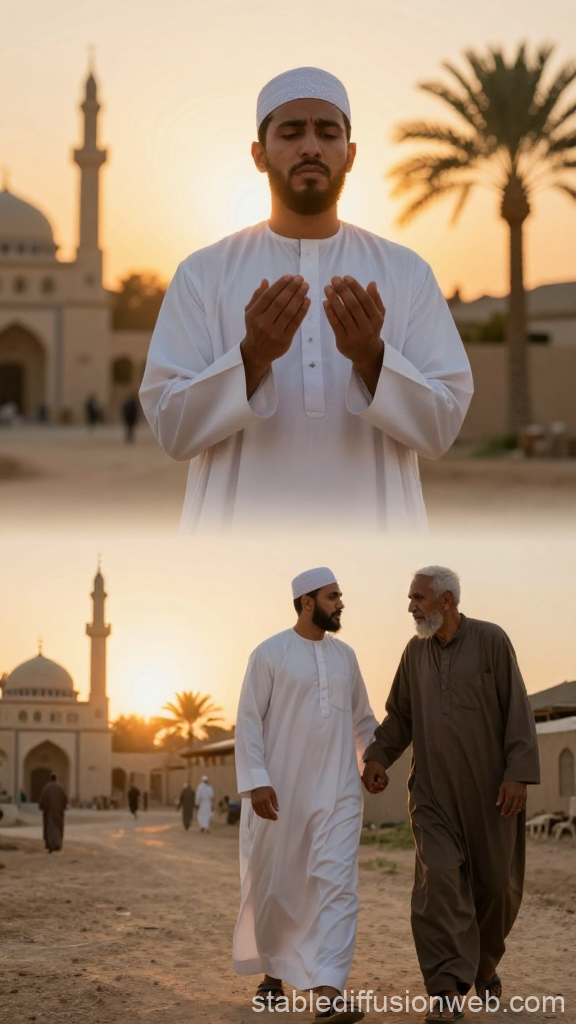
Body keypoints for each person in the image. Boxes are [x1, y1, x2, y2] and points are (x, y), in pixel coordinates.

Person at [140, 67, 473, 533]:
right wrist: (251, 358)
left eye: (328, 132)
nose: (311, 147)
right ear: (259, 155)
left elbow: (442, 429)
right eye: (291, 132)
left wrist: (373, 358)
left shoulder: (406, 271)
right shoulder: (203, 273)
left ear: (350, 154)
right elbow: (172, 432)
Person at [362, 566, 540, 1022]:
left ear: (446, 601)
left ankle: (481, 966)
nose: (410, 607)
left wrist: (518, 773)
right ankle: (444, 988)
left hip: (492, 794)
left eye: (417, 598)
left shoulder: (492, 641)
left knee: (498, 886)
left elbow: (518, 709)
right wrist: (379, 756)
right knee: (439, 881)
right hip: (433, 794)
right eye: (410, 598)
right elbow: (400, 714)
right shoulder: (415, 652)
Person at [233, 567, 379, 1022]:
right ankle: (273, 973)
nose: (341, 603)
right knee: (278, 885)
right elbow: (249, 720)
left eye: (341, 596)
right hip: (280, 793)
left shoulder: (346, 656)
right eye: (333, 596)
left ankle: (329, 990)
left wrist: (371, 761)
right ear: (307, 601)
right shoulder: (270, 653)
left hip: (338, 791)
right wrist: (256, 779)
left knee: (338, 887)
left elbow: (363, 719)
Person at [38, 774, 68, 853]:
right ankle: (58, 844)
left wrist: (41, 806)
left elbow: (42, 798)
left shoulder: (47, 787)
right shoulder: (61, 787)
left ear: (50, 779)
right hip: (59, 810)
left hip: (49, 810)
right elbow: (65, 798)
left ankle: (51, 844)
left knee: (50, 827)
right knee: (58, 827)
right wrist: (64, 807)